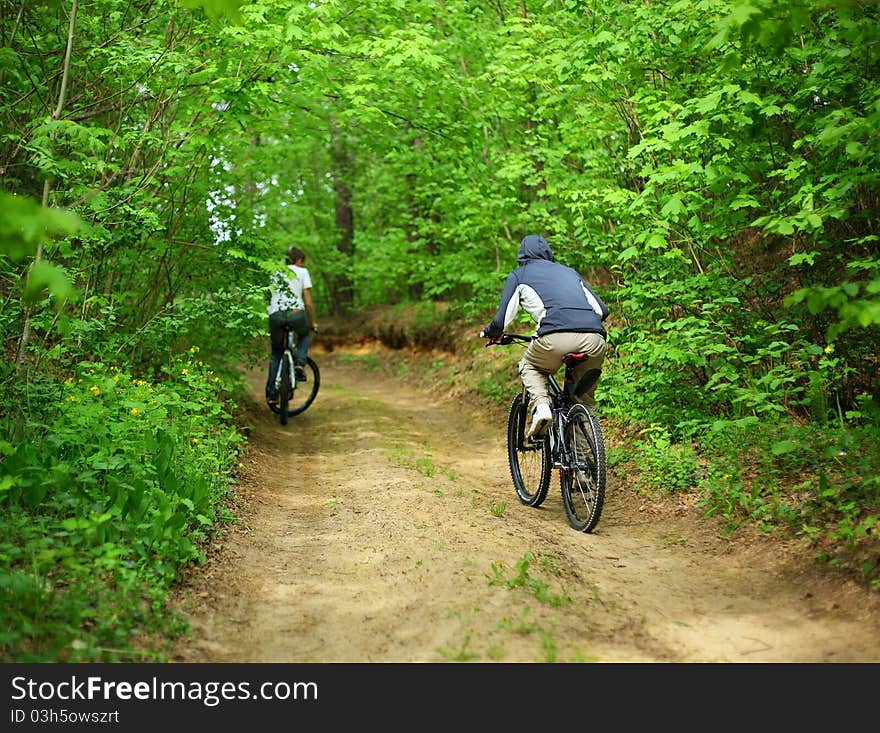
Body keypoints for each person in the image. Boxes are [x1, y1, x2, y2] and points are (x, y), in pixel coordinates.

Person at [480, 233, 609, 437]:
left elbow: (501, 321)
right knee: (582, 403)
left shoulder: (520, 274)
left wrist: (491, 332)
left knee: (530, 365)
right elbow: (602, 311)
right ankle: (585, 467)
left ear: (522, 255)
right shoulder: (570, 272)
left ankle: (541, 406)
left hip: (553, 338)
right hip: (595, 339)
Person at [265, 246, 318, 404]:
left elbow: (269, 296)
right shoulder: (302, 272)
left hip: (276, 314)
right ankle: (300, 364)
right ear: (299, 260)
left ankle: (271, 394)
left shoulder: (275, 271)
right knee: (305, 335)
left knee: (276, 353)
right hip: (296, 313)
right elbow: (308, 303)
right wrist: (312, 322)